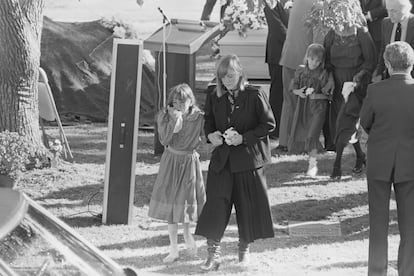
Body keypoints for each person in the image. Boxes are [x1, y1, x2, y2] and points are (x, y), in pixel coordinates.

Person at [195, 54, 275, 271]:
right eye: (222, 76)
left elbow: (268, 124)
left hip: (248, 161)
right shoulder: (214, 93)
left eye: (230, 75)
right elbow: (209, 120)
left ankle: (244, 250)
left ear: (240, 72)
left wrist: (244, 138)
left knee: (247, 207)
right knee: (215, 206)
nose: (226, 80)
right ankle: (213, 253)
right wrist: (211, 134)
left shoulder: (255, 94)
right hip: (222, 161)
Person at [360, 41, 414, 276]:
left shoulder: (375, 90)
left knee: (378, 224)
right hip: (410, 163)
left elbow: (365, 123)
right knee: (410, 226)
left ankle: (377, 272)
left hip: (380, 160)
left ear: (388, 65)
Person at [148, 83, 206, 263]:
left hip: (189, 162)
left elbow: (205, 139)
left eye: (183, 100)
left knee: (186, 200)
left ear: (191, 100)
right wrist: (175, 120)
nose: (179, 104)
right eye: (175, 101)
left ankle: (188, 234)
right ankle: (173, 247)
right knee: (171, 201)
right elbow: (164, 140)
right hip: (171, 161)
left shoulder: (199, 117)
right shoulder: (164, 116)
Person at [323, 0, 376, 179]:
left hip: (356, 84)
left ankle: (337, 165)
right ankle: (360, 156)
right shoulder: (331, 34)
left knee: (347, 122)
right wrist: (330, 78)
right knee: (342, 124)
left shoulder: (361, 32)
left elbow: (371, 60)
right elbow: (327, 61)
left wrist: (359, 76)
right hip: (338, 85)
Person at [278, 0, 325, 152]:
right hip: (305, 62)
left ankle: (284, 141)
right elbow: (318, 40)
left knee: (288, 101)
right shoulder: (318, 6)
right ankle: (303, 142)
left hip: (288, 57)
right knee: (307, 105)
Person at [288, 44, 330, 176]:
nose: (314, 63)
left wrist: (314, 94)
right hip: (304, 107)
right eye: (312, 59)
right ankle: (311, 157)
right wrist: (298, 91)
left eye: (318, 61)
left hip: (318, 108)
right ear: (307, 57)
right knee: (303, 134)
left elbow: (329, 94)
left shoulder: (323, 73)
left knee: (312, 135)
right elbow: (293, 86)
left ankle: (313, 164)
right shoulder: (301, 71)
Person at [263, 0, 289, 139]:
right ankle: (275, 129)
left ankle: (286, 127)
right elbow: (278, 29)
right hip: (278, 53)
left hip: (290, 51)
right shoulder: (271, 3)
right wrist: (294, 41)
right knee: (278, 92)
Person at [372, 0, 414, 81]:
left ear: (405, 10)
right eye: (388, 10)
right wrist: (378, 72)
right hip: (389, 77)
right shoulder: (386, 22)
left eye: (393, 11)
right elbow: (383, 49)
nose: (390, 14)